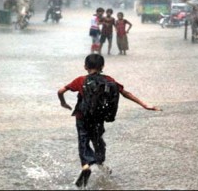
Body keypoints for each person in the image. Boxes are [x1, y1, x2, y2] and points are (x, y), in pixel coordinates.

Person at [57, 54, 161, 188]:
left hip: (82, 117)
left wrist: (63, 103)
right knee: (98, 140)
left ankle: (86, 165)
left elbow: (60, 91)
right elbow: (125, 93)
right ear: (102, 67)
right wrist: (144, 105)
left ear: (85, 67)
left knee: (83, 141)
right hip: (98, 118)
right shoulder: (109, 80)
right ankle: (100, 164)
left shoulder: (80, 80)